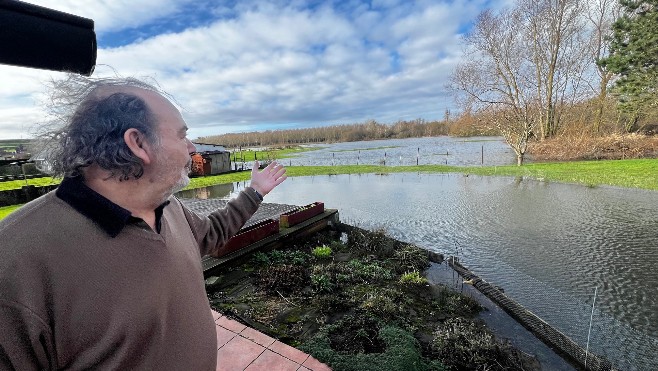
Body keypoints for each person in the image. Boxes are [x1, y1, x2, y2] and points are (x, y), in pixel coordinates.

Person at [0, 75, 287, 370]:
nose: (191, 148)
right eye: (180, 135)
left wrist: (255, 192)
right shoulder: (15, 259)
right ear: (138, 143)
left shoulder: (168, 206)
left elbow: (210, 235)